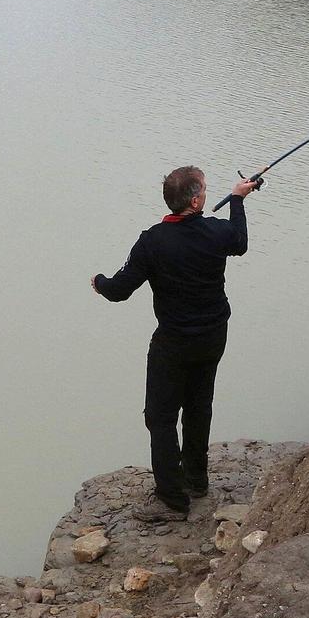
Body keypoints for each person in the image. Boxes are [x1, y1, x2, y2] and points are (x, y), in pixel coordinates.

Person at [91, 166, 256, 522]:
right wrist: (239, 200)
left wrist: (99, 281)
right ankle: (197, 480)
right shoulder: (216, 232)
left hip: (174, 341)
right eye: (206, 191)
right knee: (199, 405)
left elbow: (119, 291)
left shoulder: (152, 241)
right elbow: (239, 242)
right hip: (213, 335)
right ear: (196, 200)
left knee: (161, 417)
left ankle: (172, 494)